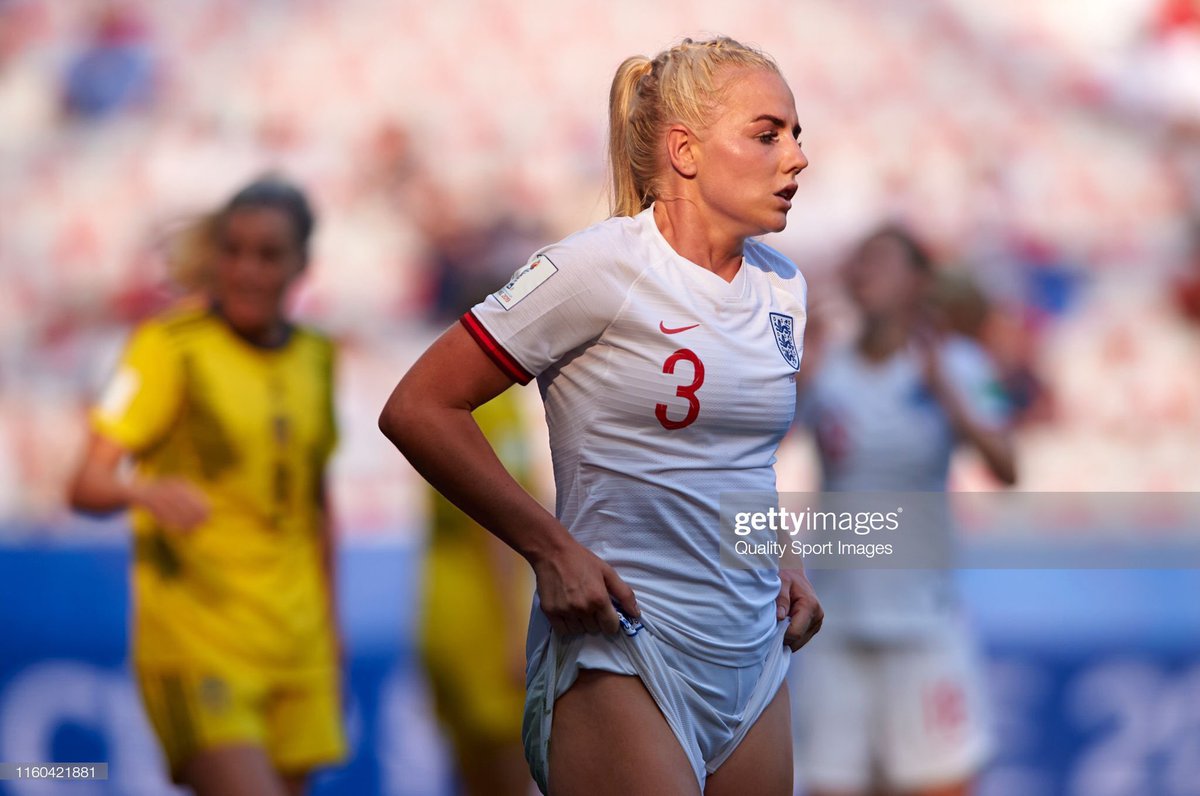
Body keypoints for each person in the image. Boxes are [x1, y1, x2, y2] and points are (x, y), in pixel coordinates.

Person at [379, 36, 822, 796]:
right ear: (685, 150)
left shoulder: (783, 286)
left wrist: (784, 555)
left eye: (796, 133)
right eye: (767, 133)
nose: (796, 156)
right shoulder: (599, 268)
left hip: (753, 657)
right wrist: (549, 551)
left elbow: (741, 456)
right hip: (624, 649)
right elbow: (419, 407)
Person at [67, 177, 345, 796]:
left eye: (268, 254)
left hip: (297, 645)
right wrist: (140, 492)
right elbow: (85, 483)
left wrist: (333, 635)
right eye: (233, 250)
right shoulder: (168, 347)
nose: (246, 270)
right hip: (199, 644)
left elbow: (317, 503)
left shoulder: (318, 357)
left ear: (302, 264)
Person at [791, 225, 1016, 796]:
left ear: (918, 281)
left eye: (883, 261)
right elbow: (749, 453)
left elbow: (1008, 466)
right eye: (860, 261)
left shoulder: (959, 366)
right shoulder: (826, 368)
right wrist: (797, 377)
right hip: (836, 625)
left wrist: (950, 397)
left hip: (924, 623)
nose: (866, 272)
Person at [418, 385, 536, 796]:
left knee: (472, 778)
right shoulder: (493, 408)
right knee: (509, 776)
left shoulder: (442, 401)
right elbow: (498, 526)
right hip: (486, 619)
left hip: (440, 611)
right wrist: (517, 630)